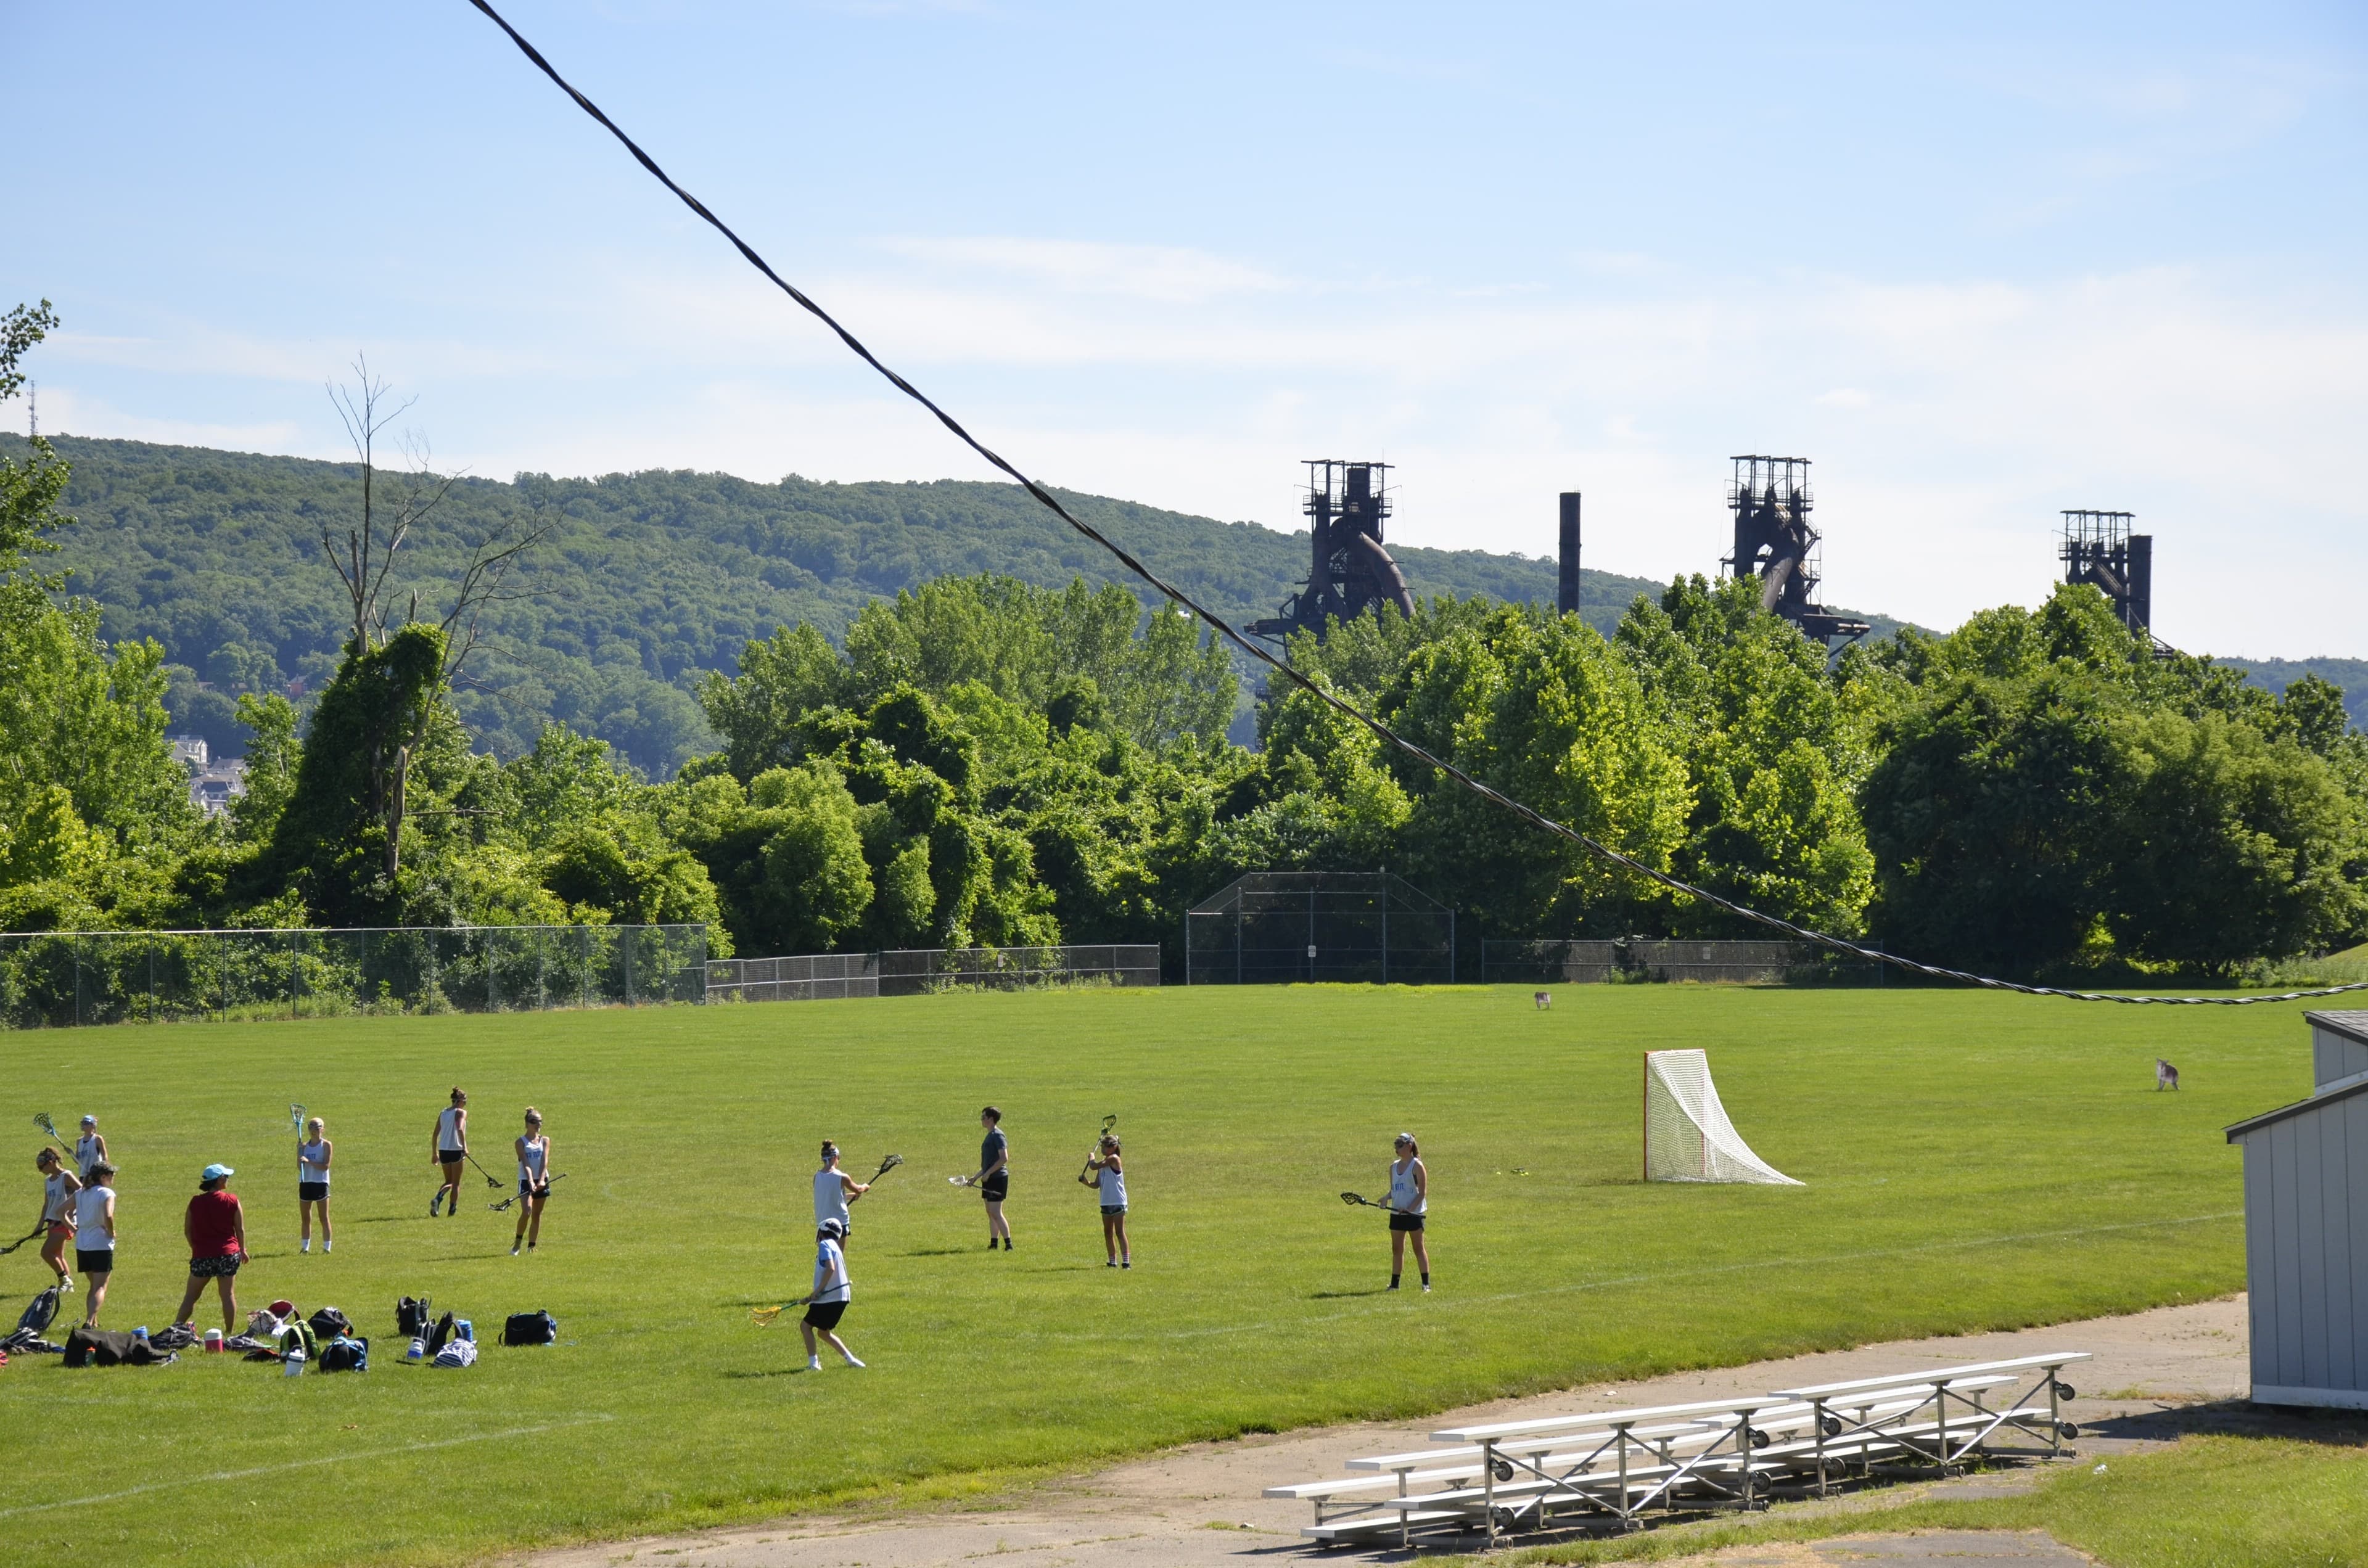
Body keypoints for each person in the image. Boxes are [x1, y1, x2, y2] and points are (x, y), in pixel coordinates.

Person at [174, 1162, 247, 1336]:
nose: (228, 1180)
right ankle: (229, 1332)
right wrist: (243, 1250)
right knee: (227, 1295)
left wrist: (196, 1248)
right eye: (226, 1177)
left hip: (202, 1255)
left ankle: (175, 1328)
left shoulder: (195, 1202)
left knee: (191, 1297)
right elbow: (240, 1229)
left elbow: (187, 1230)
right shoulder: (232, 1200)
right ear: (220, 1180)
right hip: (228, 1254)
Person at [800, 1218, 863, 1370]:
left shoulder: (825, 1244)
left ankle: (814, 1364)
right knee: (824, 1333)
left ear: (822, 1232)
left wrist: (816, 1293)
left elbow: (830, 1268)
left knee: (805, 1326)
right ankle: (851, 1359)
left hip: (829, 1297)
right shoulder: (835, 1246)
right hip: (842, 1298)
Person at [73, 1161, 117, 1328]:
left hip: (82, 1245)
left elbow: (62, 1211)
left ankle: (93, 1320)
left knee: (93, 1285)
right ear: (104, 1177)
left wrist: (73, 1228)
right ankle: (89, 1322)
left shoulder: (81, 1192)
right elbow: (108, 1215)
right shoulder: (106, 1193)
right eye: (112, 1175)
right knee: (100, 1286)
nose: (113, 1178)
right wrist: (111, 1232)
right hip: (100, 1244)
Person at [1384, 1132, 1429, 1292]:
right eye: (1396, 1146)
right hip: (1397, 1214)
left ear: (1409, 1146)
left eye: (1400, 1145)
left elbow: (1422, 1193)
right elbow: (1394, 1190)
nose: (1397, 1149)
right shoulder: (1393, 1167)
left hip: (1413, 1214)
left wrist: (1409, 1209)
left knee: (1418, 1248)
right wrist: (1385, 1199)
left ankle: (1426, 1284)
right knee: (1397, 1249)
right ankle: (1395, 1285)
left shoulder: (1417, 1166)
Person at [33, 1147, 81, 1294]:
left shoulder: (66, 1176)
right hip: (52, 1222)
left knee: (46, 1253)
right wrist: (40, 1225)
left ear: (52, 1162)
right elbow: (47, 1204)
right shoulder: (48, 1181)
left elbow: (83, 1192)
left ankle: (65, 1280)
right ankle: (68, 1286)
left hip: (65, 1222)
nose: (40, 1169)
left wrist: (72, 1211)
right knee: (58, 1255)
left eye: (42, 1166)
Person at [510, 1107, 551, 1256]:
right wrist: (531, 1182)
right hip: (526, 1180)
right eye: (534, 1122)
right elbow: (525, 1163)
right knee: (527, 1211)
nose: (538, 1125)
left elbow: (544, 1161)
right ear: (527, 1123)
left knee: (537, 1214)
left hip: (542, 1179)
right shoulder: (520, 1143)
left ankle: (531, 1246)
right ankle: (517, 1244)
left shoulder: (545, 1140)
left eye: (540, 1122)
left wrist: (541, 1180)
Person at [1083, 1135, 1129, 1268]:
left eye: (1104, 1146)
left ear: (1113, 1147)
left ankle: (1126, 1262)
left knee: (1120, 1232)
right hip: (1106, 1202)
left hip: (1118, 1201)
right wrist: (1086, 1182)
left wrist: (1092, 1159)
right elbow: (1097, 1184)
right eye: (1102, 1146)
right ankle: (1112, 1261)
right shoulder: (1103, 1165)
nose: (1102, 1149)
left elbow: (1093, 1166)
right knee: (1108, 1232)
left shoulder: (1114, 1159)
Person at [813, 1141, 870, 1248]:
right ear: (835, 1158)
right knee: (838, 1256)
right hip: (839, 1223)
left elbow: (828, 1195)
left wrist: (848, 1196)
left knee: (825, 1256)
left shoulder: (817, 1177)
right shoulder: (842, 1177)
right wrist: (866, 1186)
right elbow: (859, 1189)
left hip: (822, 1223)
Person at [972, 1106, 1012, 1251]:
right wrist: (976, 1177)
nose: (982, 1120)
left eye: (983, 1117)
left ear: (991, 1119)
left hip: (998, 1178)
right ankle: (994, 1243)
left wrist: (988, 1174)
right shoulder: (990, 1135)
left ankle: (1009, 1244)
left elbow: (1004, 1158)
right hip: (989, 1178)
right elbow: (988, 1163)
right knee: (990, 1212)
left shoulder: (998, 1135)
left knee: (996, 1212)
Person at [429, 1087, 469, 1217]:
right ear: (459, 1101)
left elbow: (435, 1135)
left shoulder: (444, 1113)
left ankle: (438, 1198)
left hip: (443, 1151)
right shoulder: (461, 1112)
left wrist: (435, 1154)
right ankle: (452, 1210)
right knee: (456, 1183)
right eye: (465, 1101)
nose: (465, 1104)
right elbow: (460, 1129)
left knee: (448, 1181)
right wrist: (465, 1147)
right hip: (456, 1150)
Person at [298, 1117, 333, 1254]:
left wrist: (308, 1161)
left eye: (317, 1128)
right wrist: (299, 1153)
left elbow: (325, 1166)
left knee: (323, 1217)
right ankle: (305, 1248)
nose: (314, 1131)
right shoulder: (304, 1147)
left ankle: (327, 1247)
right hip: (306, 1183)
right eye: (311, 1128)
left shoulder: (326, 1145)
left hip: (321, 1183)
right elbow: (299, 1166)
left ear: (322, 1130)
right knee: (306, 1218)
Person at [73, 1115, 107, 1181]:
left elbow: (105, 1156)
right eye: (82, 1123)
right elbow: (78, 1161)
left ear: (93, 1125)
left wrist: (104, 1170)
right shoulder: (79, 1141)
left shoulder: (97, 1139)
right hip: (83, 1176)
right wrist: (71, 1153)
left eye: (86, 1123)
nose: (83, 1125)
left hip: (96, 1174)